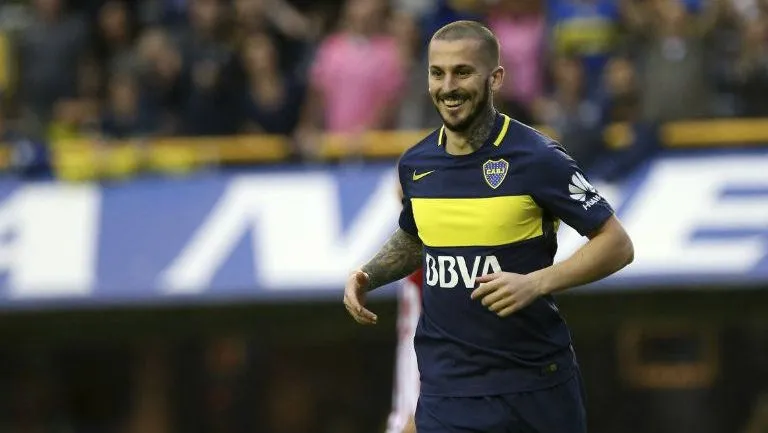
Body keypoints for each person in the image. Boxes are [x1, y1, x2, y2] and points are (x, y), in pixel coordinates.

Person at [343, 19, 634, 433]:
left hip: (536, 385)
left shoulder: (537, 158)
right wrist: (368, 273)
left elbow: (617, 244)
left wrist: (536, 282)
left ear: (495, 77)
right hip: (450, 391)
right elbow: (415, 237)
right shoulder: (416, 164)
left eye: (462, 72)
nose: (448, 86)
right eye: (437, 73)